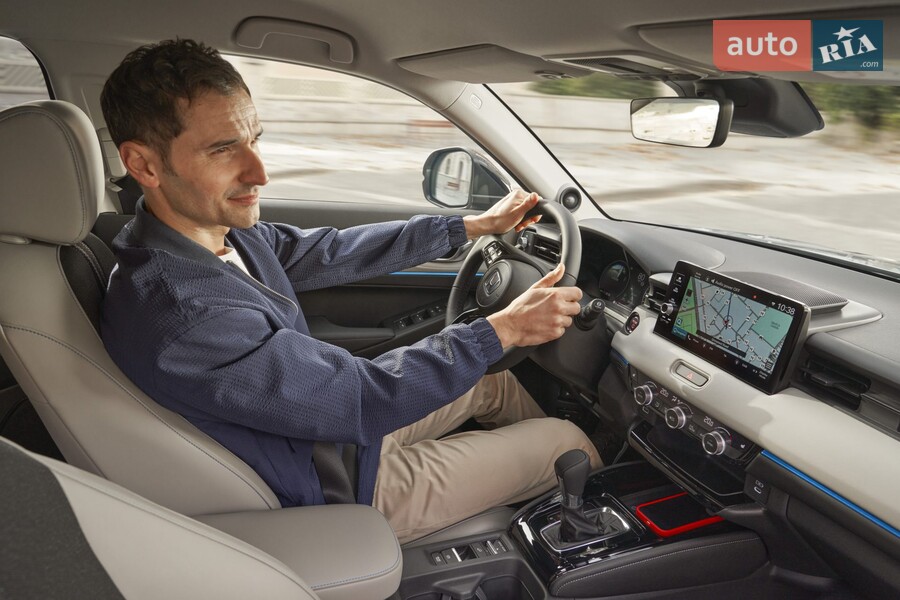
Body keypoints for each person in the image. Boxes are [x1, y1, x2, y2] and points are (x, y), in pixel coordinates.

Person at [100, 39, 600, 543]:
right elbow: (362, 400)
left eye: (254, 140)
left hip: (328, 435)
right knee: (565, 442)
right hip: (334, 483)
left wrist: (468, 227)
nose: (260, 173)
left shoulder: (216, 236)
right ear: (144, 165)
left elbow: (330, 251)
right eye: (223, 149)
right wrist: (503, 329)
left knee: (491, 381)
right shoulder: (186, 313)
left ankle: (534, 497)